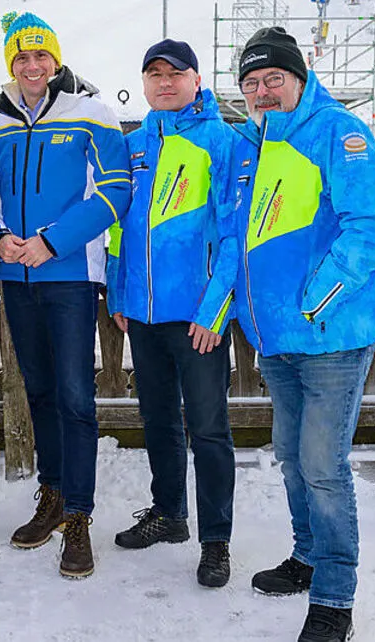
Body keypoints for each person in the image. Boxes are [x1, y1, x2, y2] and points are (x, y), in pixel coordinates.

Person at [230, 27, 375, 642]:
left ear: (299, 77)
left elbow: (373, 226)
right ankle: (306, 555)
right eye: (251, 84)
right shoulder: (250, 143)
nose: (262, 92)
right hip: (276, 341)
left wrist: (315, 298)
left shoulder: (337, 132)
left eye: (274, 78)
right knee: (294, 460)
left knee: (323, 466)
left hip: (330, 335)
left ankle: (334, 595)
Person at [0, 12, 131, 578]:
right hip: (17, 276)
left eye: (41, 57)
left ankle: (80, 516)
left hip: (68, 275)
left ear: (56, 61)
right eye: (22, 58)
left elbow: (117, 191)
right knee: (37, 388)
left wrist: (51, 241)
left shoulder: (91, 114)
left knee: (73, 395)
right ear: (10, 64)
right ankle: (54, 494)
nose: (32, 66)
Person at [106, 39, 239, 588]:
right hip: (142, 312)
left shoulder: (222, 142)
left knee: (208, 428)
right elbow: (118, 226)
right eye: (154, 74)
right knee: (157, 420)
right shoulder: (133, 144)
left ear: (196, 79)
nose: (164, 82)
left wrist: (215, 311)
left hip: (196, 317)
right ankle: (169, 515)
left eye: (174, 73)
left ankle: (216, 541)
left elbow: (234, 235)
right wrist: (118, 293)